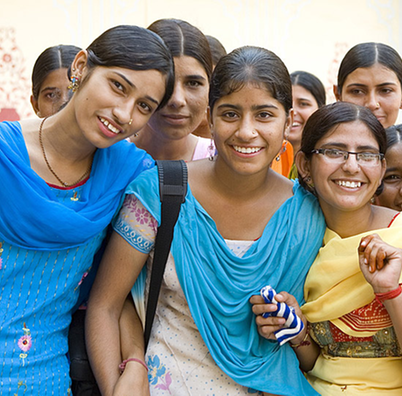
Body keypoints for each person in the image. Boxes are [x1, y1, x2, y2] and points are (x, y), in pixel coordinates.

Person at [86, 45, 325, 396]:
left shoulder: (309, 213)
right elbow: (105, 305)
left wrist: (297, 328)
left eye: (264, 115)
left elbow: (321, 349)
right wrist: (118, 383)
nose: (246, 132)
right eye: (230, 114)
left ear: (288, 122)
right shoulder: (159, 193)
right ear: (209, 119)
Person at [0, 25, 174, 395]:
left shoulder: (131, 176)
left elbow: (117, 293)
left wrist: (133, 362)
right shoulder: (4, 155)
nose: (124, 113)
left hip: (40, 378)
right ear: (80, 66)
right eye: (118, 86)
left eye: (144, 106)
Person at [252, 101, 402, 395]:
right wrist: (297, 332)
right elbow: (323, 362)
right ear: (304, 165)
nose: (351, 166)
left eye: (366, 155)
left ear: (381, 168)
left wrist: (390, 292)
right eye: (334, 152)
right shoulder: (293, 238)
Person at [129, 19, 213, 162]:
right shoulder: (105, 154)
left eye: (193, 83)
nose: (177, 100)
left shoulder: (224, 162)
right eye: (167, 82)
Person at [334, 42, 402, 129]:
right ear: (338, 95)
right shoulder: (321, 142)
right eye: (357, 91)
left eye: (385, 90)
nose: (372, 104)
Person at [273, 70, 325, 178]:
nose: (293, 112)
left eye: (303, 104)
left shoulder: (326, 158)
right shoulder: (264, 156)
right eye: (287, 104)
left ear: (321, 109)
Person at [29, 44, 81, 118]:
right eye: (51, 95)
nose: (64, 106)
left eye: (74, 92)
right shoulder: (12, 129)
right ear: (36, 106)